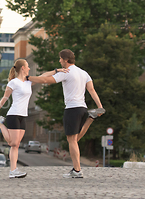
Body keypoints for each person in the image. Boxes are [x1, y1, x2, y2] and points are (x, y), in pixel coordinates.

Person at [28, 49, 105, 178]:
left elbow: (46, 80)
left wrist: (28, 78)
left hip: (72, 109)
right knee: (74, 140)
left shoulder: (66, 72)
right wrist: (100, 106)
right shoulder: (83, 73)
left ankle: (77, 170)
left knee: (72, 140)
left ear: (66, 60)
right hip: (82, 108)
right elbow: (91, 90)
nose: (59, 61)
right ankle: (90, 118)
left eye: (60, 59)